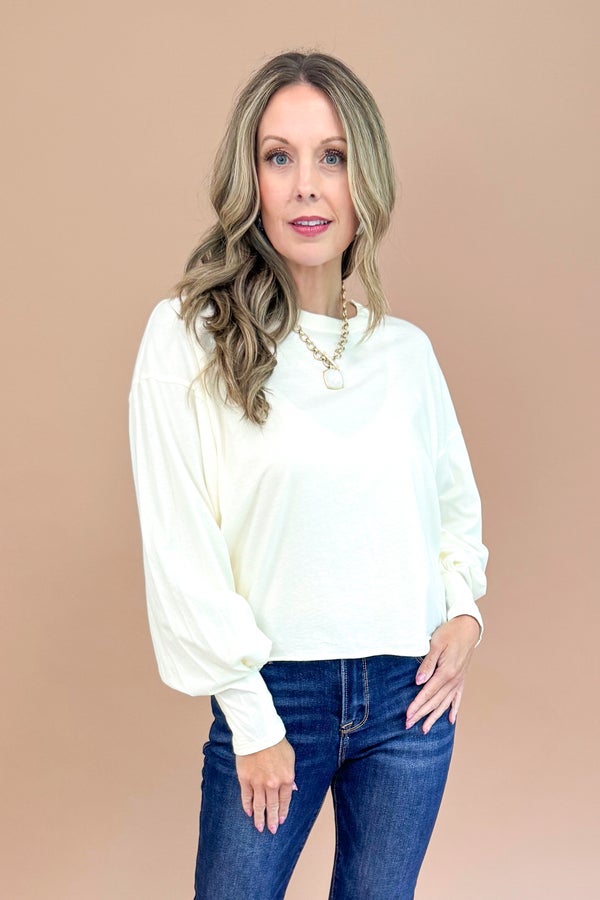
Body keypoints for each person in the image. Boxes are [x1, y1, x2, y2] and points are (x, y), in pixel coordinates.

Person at [129, 50, 488, 900]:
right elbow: (183, 548)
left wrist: (465, 612)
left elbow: (453, 510)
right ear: (247, 179)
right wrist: (252, 719)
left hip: (408, 705)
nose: (306, 186)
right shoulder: (186, 338)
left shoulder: (405, 354)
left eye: (332, 157)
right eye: (278, 156)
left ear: (364, 181)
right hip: (273, 692)